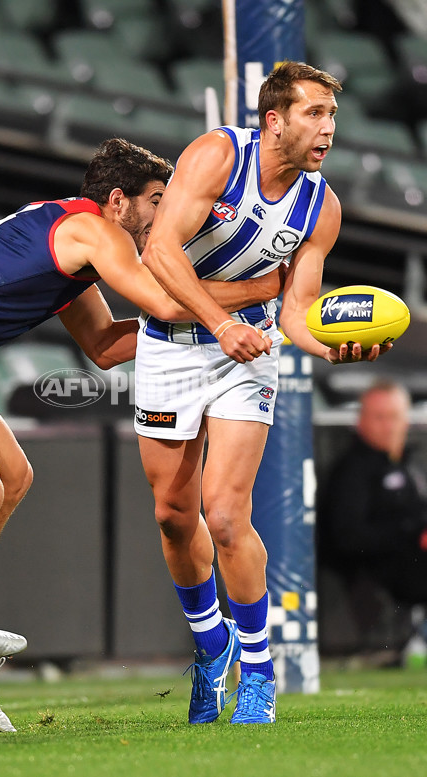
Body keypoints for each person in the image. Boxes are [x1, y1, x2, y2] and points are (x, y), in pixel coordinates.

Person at [0, 137, 284, 733]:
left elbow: (107, 348)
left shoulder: (73, 242)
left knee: (14, 475)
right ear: (119, 201)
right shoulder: (95, 231)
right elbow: (164, 301)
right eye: (159, 199)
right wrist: (259, 291)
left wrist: (208, 323)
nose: (169, 211)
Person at [136, 61, 391, 726]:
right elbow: (158, 253)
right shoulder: (219, 155)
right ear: (273, 119)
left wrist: (334, 345)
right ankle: (210, 641)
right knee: (172, 513)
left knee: (223, 515)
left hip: (245, 353)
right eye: (314, 113)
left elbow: (296, 311)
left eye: (332, 116)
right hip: (169, 343)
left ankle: (257, 669)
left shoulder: (321, 206)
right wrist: (219, 320)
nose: (327, 128)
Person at [317, 381, 427, 662]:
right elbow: (347, 537)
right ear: (362, 420)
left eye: (394, 417)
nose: (388, 426)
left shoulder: (406, 463)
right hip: (377, 570)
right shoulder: (352, 470)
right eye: (380, 417)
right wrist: (412, 535)